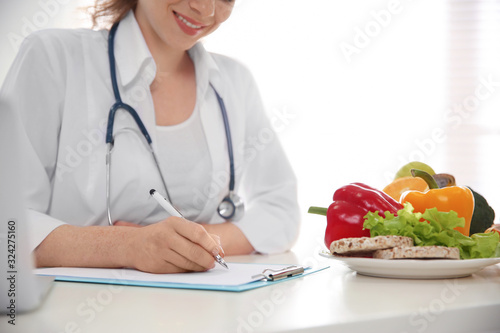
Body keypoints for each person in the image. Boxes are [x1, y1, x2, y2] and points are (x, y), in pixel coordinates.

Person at [0, 0, 300, 274]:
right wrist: (127, 245)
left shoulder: (234, 82)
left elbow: (281, 210)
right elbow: (7, 228)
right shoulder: (53, 58)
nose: (206, 10)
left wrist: (181, 243)